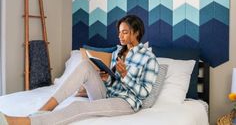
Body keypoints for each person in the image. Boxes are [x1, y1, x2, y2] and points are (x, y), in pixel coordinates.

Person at [0, 15, 159, 125]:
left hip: (126, 102)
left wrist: (125, 76)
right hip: (107, 94)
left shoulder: (149, 59)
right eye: (119, 32)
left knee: (78, 106)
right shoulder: (119, 52)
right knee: (85, 65)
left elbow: (143, 93)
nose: (120, 36)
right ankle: (43, 110)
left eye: (125, 32)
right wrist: (107, 77)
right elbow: (114, 81)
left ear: (136, 32)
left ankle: (24, 122)